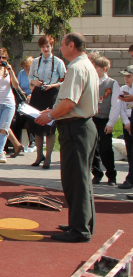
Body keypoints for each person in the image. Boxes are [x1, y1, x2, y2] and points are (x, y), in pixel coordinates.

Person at [35, 33, 99, 242]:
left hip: (75, 127)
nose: (60, 48)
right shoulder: (86, 64)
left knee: (75, 179)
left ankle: (80, 230)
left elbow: (70, 102)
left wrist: (50, 115)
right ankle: (81, 223)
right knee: (81, 179)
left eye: (62, 45)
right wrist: (53, 110)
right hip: (83, 125)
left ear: (72, 45)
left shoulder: (76, 68)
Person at [27, 35, 66, 168]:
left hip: (51, 95)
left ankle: (48, 157)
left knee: (49, 127)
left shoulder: (58, 62)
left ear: (52, 47)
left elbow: (64, 79)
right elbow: (30, 77)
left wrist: (52, 85)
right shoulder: (35, 61)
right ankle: (39, 155)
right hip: (38, 94)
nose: (45, 49)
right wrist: (35, 82)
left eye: (48, 46)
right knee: (37, 125)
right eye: (43, 46)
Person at [0, 48, 24, 165]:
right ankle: (1, 153)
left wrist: (10, 70)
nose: (1, 60)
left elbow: (16, 85)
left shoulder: (8, 71)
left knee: (4, 128)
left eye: (4, 58)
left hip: (9, 103)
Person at [91, 57, 120, 185]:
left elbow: (115, 105)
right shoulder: (92, 82)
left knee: (106, 148)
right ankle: (96, 173)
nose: (94, 69)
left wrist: (111, 123)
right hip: (93, 118)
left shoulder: (112, 83)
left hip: (105, 120)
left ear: (103, 69)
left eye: (96, 67)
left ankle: (111, 175)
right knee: (93, 148)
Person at [107, 65, 133, 190]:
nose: (126, 79)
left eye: (129, 76)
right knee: (130, 151)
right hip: (127, 121)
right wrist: (126, 122)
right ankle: (131, 177)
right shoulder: (123, 88)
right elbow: (121, 107)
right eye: (125, 76)